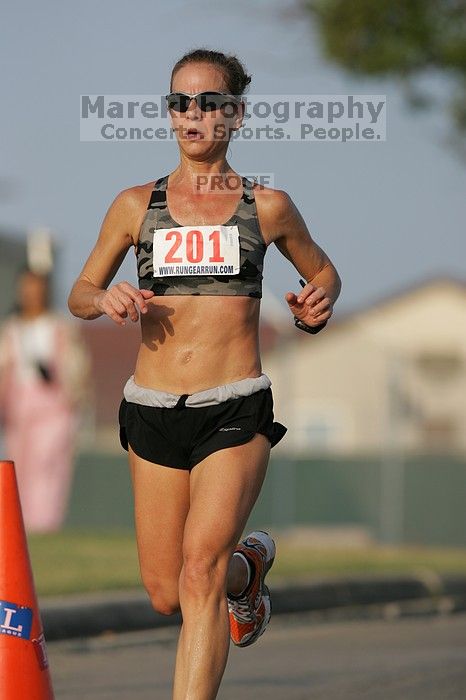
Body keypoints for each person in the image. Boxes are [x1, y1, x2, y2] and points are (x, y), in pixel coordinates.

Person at [68, 48, 341, 699]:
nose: (192, 114)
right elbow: (80, 291)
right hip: (153, 408)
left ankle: (226, 572)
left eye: (208, 101)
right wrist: (102, 299)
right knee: (168, 592)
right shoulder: (136, 205)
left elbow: (323, 273)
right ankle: (248, 571)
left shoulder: (266, 206)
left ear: (236, 114)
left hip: (234, 406)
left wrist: (314, 307)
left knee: (198, 573)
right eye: (179, 102)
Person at [0, 268, 90, 533]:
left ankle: (44, 525)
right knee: (20, 468)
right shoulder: (11, 329)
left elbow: (75, 368)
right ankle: (20, 527)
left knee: (48, 469)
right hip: (19, 408)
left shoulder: (59, 326)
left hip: (53, 407)